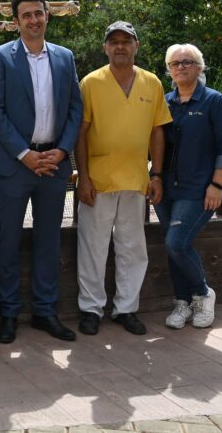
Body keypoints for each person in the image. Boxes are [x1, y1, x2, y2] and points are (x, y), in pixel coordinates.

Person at [0, 0, 83, 343]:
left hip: (54, 163)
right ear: (16, 21)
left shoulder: (64, 57)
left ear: (47, 16)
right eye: (26, 15)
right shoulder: (0, 57)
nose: (34, 20)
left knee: (48, 241)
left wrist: (62, 149)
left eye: (38, 13)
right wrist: (24, 154)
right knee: (8, 240)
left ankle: (45, 311)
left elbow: (75, 109)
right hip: (15, 165)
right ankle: (8, 313)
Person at [74, 21, 171, 336]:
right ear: (105, 47)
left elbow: (158, 130)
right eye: (113, 41)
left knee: (132, 247)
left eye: (126, 41)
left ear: (136, 46)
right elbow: (80, 133)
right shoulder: (90, 83)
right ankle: (90, 309)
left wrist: (156, 174)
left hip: (135, 178)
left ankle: (126, 308)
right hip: (98, 180)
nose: (119, 46)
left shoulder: (152, 83)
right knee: (93, 247)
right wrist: (84, 178)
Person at [157, 43, 222, 329]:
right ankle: (182, 302)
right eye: (175, 63)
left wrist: (217, 184)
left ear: (200, 67)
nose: (181, 67)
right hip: (166, 188)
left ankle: (203, 294)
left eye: (187, 62)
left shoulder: (214, 102)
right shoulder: (164, 102)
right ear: (169, 70)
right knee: (172, 247)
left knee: (176, 242)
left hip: (199, 188)